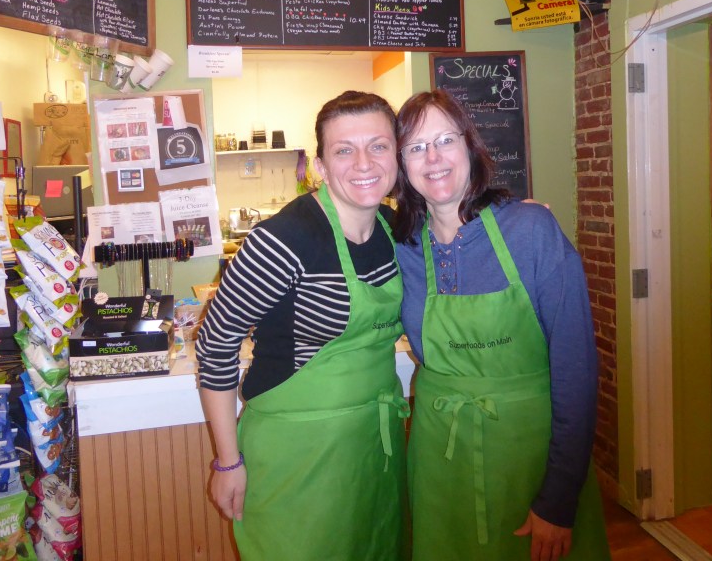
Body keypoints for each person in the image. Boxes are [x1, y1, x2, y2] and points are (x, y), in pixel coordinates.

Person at [392, 89, 610, 561]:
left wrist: (559, 497)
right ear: (402, 165)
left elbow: (576, 370)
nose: (433, 158)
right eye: (415, 147)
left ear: (470, 146)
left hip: (528, 457)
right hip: (439, 459)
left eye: (445, 140)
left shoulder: (532, 230)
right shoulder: (401, 249)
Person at [196, 91, 408, 560]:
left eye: (378, 146)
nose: (364, 163)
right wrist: (227, 462)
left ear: (397, 154)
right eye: (344, 150)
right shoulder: (282, 239)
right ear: (321, 166)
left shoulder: (397, 228)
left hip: (375, 447)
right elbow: (215, 344)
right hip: (297, 453)